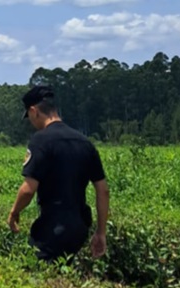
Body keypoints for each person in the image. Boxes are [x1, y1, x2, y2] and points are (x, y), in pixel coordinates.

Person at [7, 85, 110, 261]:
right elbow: (103, 190)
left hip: (52, 227)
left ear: (34, 111)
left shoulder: (41, 140)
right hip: (80, 228)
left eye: (29, 117)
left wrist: (14, 212)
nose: (31, 122)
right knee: (65, 271)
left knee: (36, 270)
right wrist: (101, 232)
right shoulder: (84, 142)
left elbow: (28, 190)